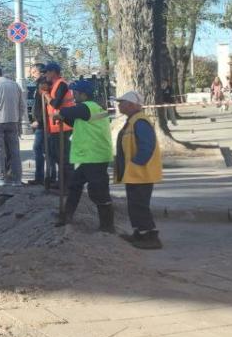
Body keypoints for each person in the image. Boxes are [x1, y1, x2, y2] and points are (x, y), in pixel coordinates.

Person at [52, 80, 115, 232]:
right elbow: (76, 122)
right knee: (74, 185)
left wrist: (59, 113)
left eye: (75, 93)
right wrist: (63, 117)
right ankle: (67, 216)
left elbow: (68, 112)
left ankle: (107, 226)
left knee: (98, 191)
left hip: (95, 155)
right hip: (91, 156)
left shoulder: (88, 107)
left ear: (83, 94)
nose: (73, 96)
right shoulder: (90, 109)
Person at [114, 91, 164, 249]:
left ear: (131, 104)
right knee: (134, 205)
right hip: (134, 172)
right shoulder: (132, 120)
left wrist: (135, 163)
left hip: (141, 172)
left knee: (140, 205)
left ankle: (151, 237)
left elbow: (147, 146)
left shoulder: (140, 121)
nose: (119, 105)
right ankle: (140, 233)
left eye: (122, 102)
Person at [0, 67, 26, 186]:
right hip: (13, 122)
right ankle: (17, 180)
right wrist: (18, 119)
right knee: (14, 151)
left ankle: (0, 178)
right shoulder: (16, 86)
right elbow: (22, 106)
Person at [43, 62, 75, 189]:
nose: (45, 75)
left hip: (64, 126)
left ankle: (67, 184)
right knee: (57, 155)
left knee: (64, 156)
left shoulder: (61, 84)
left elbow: (56, 104)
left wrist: (46, 95)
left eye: (47, 72)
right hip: (56, 126)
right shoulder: (55, 85)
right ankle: (62, 181)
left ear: (53, 72)